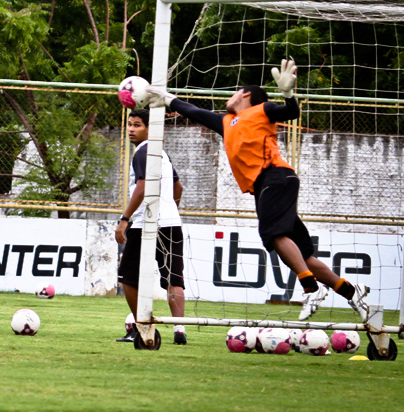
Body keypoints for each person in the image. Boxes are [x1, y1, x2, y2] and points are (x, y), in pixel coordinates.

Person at [146, 58, 370, 322]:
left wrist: (288, 94)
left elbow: (291, 112)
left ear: (245, 94)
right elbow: (193, 110)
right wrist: (166, 97)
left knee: (273, 234)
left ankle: (310, 288)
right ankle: (352, 292)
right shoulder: (227, 122)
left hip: (276, 177)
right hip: (269, 184)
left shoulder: (262, 110)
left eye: (234, 92)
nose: (229, 97)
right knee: (302, 254)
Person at [115, 109, 188, 345]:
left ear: (149, 129)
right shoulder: (163, 155)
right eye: (130, 125)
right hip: (172, 224)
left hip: (146, 224)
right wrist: (171, 210)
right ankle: (180, 330)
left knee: (127, 277)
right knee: (173, 279)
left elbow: (143, 187)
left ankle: (142, 327)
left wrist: (125, 218)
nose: (131, 129)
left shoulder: (143, 150)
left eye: (137, 125)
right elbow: (178, 188)